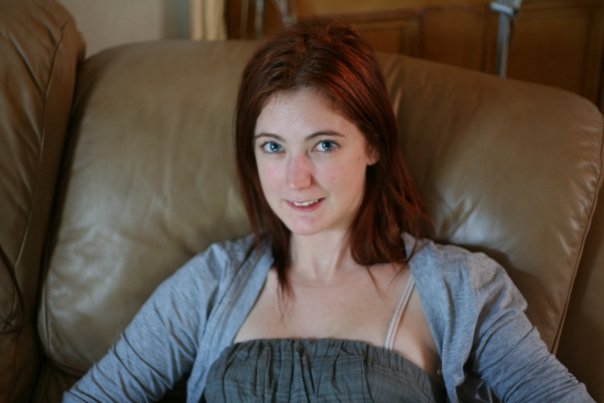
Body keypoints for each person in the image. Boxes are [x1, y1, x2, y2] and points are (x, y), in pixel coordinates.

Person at [64, 21, 594, 403]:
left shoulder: (460, 287)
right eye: (273, 147)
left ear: (373, 146)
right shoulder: (211, 284)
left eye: (323, 145)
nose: (296, 179)